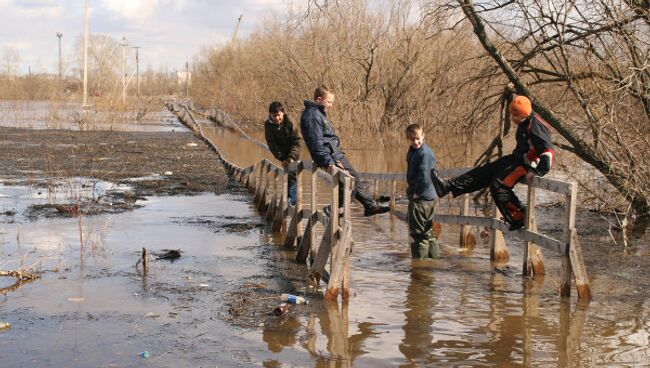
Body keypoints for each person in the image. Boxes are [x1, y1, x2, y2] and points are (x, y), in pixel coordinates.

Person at [431, 95, 554, 231]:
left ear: (523, 114)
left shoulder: (536, 126)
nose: (512, 119)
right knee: (486, 170)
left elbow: (548, 152)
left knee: (498, 186)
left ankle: (518, 217)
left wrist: (536, 172)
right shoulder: (524, 120)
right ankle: (449, 186)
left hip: (526, 164)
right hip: (517, 158)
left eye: (514, 116)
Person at [300, 85, 390, 217]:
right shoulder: (312, 116)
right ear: (319, 99)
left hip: (334, 153)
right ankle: (336, 209)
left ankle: (369, 205)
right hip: (329, 156)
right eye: (329, 102)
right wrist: (329, 162)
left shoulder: (318, 113)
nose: (331, 105)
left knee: (354, 179)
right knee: (348, 181)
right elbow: (316, 143)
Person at [405, 123, 440, 259]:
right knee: (428, 232)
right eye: (412, 139)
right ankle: (434, 261)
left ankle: (420, 266)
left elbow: (425, 176)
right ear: (408, 138)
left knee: (418, 234)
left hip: (422, 197)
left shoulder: (424, 153)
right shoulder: (414, 151)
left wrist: (416, 193)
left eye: (418, 138)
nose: (416, 142)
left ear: (423, 136)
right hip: (426, 197)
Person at [264, 101, 302, 206]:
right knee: (287, 173)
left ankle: (291, 199)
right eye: (274, 115)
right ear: (270, 115)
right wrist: (281, 158)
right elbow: (271, 143)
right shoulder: (268, 125)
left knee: (292, 173)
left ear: (283, 113)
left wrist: (291, 157)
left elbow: (298, 141)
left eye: (279, 115)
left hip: (293, 150)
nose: (277, 118)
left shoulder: (290, 122)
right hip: (280, 151)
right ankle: (289, 198)